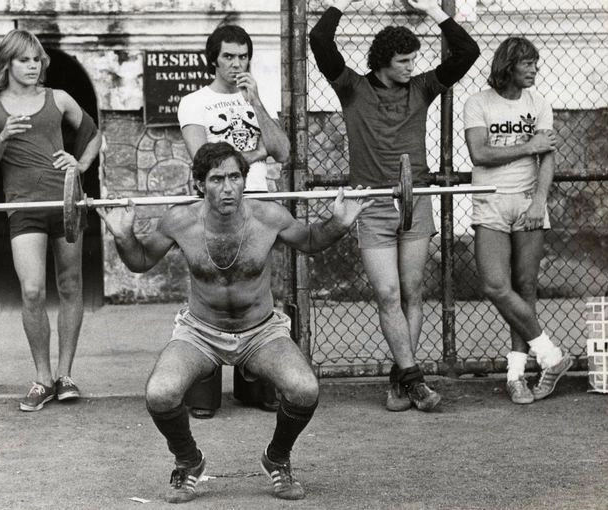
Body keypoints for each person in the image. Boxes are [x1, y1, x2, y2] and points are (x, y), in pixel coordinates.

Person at [98, 141, 370, 503]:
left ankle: (277, 459)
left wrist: (338, 223)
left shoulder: (268, 217)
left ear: (244, 180)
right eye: (216, 179)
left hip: (261, 330)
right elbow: (141, 261)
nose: (228, 188)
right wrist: (123, 237)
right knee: (160, 394)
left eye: (235, 177)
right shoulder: (180, 221)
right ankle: (188, 461)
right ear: (199, 184)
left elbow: (308, 240)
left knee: (305, 390)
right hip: (201, 331)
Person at [309, 0, 480, 411]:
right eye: (404, 60)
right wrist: (339, 4)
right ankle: (416, 380)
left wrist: (431, 10)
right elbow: (319, 40)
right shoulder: (352, 88)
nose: (410, 66)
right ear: (384, 61)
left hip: (414, 200)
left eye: (413, 60)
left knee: (412, 291)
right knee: (387, 293)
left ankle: (401, 379)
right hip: (372, 204)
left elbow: (467, 53)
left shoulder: (422, 89)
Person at [0, 30, 101, 411]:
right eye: (24, 60)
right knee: (31, 291)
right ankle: (42, 378)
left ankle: (65, 375)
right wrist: (4, 135)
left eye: (37, 60)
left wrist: (81, 162)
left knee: (71, 285)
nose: (32, 66)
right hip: (22, 207)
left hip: (66, 201)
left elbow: (92, 133)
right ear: (7, 64)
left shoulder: (57, 98)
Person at [177, 24, 291, 418]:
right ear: (215, 59)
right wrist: (255, 155)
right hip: (216, 206)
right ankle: (203, 382)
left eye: (243, 57)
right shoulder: (195, 102)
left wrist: (256, 101)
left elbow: (283, 151)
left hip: (256, 203)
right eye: (229, 56)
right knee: (210, 278)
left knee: (256, 282)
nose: (236, 64)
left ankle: (254, 380)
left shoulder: (255, 97)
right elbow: (204, 161)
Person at [463, 37, 572, 404]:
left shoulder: (538, 103)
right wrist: (527, 147)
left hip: (528, 202)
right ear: (509, 65)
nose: (534, 70)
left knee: (525, 286)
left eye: (536, 65)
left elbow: (548, 157)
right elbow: (479, 154)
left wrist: (539, 203)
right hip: (490, 202)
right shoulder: (478, 102)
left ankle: (516, 376)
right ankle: (551, 356)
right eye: (528, 64)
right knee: (496, 285)